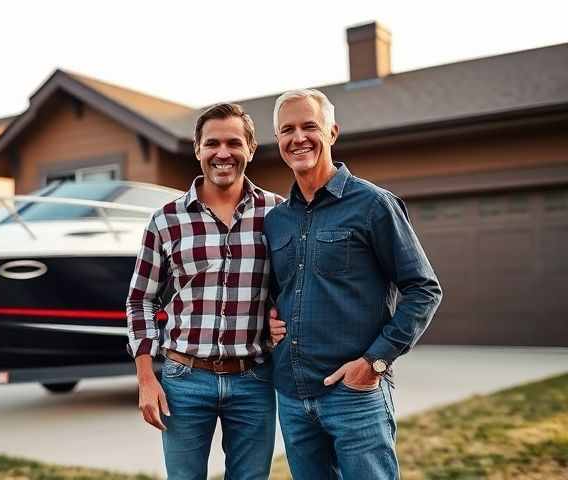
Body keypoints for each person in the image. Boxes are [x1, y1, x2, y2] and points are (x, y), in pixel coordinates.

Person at [265, 89, 443, 479]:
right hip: (294, 399)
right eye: (287, 130)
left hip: (354, 396)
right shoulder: (276, 220)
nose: (298, 138)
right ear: (277, 139)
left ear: (332, 132)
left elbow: (424, 290)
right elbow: (282, 290)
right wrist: (268, 319)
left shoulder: (374, 205)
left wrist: (374, 363)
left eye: (309, 126)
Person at [126, 103, 282, 480]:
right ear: (198, 149)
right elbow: (140, 300)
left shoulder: (278, 213)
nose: (223, 153)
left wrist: (282, 319)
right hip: (184, 380)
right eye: (212, 143)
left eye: (233, 142)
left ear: (251, 148)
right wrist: (147, 378)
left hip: (254, 380)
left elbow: (292, 288)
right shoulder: (165, 220)